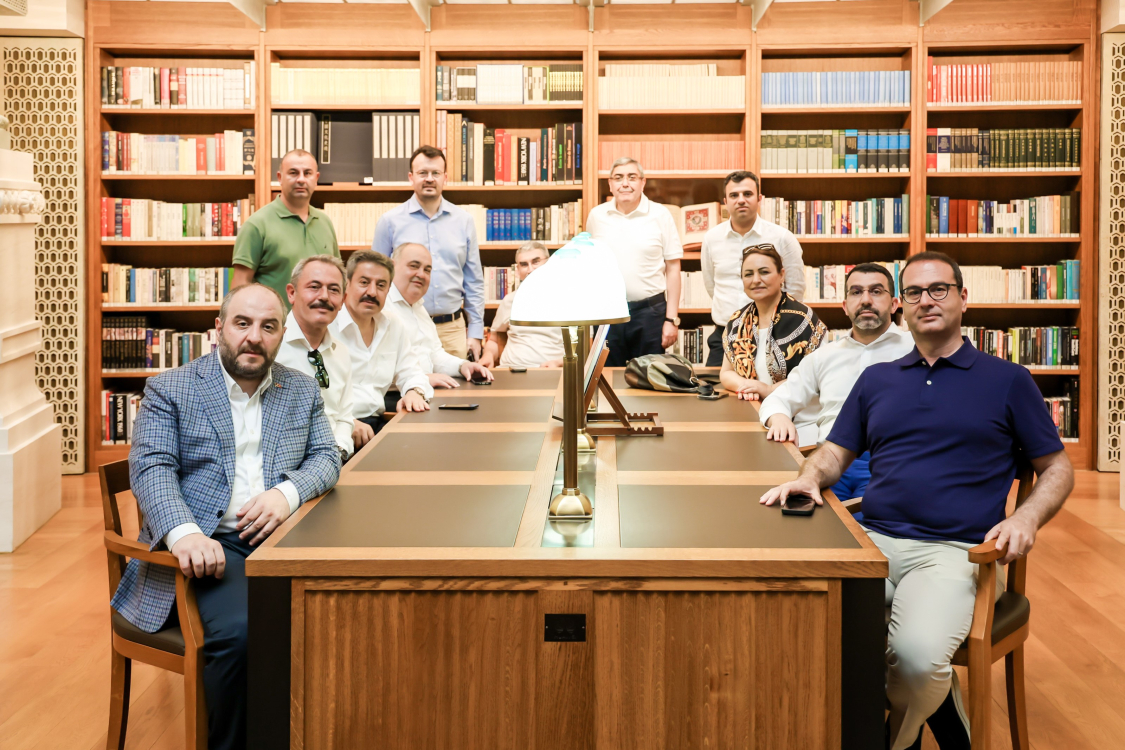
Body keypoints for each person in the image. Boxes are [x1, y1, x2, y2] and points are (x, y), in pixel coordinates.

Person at [761, 251, 1074, 750]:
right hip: (873, 545)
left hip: (959, 552)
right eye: (913, 292)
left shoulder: (1007, 380)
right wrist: (809, 478)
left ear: (963, 299)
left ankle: (897, 741)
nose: (925, 300)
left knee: (913, 658)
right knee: (806, 628)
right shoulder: (878, 379)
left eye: (938, 289)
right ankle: (940, 715)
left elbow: (1057, 467)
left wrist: (1026, 518)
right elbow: (835, 451)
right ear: (901, 306)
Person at [110, 283, 340, 750]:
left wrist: (286, 494)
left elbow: (326, 457)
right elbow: (151, 468)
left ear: (282, 334)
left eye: (268, 326)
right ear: (219, 329)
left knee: (346, 615)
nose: (254, 336)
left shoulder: (301, 388)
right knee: (244, 634)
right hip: (212, 549)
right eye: (242, 323)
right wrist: (184, 534)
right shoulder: (171, 388)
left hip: (284, 541)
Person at [759, 263, 914, 499]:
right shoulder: (824, 356)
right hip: (826, 463)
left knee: (864, 520)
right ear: (845, 306)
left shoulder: (916, 349)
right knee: (795, 511)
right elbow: (779, 399)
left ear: (894, 304)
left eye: (876, 291)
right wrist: (779, 418)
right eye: (856, 292)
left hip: (890, 464)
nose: (865, 300)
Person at [371, 145, 484, 361]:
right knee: (408, 381)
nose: (429, 179)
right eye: (423, 173)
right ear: (411, 177)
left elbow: (474, 281)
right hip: (404, 326)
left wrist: (475, 333)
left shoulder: (464, 221)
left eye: (435, 173)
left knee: (457, 381)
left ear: (445, 178)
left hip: (452, 330)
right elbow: (376, 278)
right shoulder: (390, 221)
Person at [719, 243, 826, 445]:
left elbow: (815, 377)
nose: (756, 280)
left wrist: (767, 389)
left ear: (781, 275)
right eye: (748, 274)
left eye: (764, 272)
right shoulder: (737, 322)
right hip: (753, 417)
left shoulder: (805, 320)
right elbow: (726, 373)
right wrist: (748, 387)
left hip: (801, 425)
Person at [329, 250, 433, 450]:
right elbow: (315, 396)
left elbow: (412, 371)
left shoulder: (392, 325)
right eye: (364, 282)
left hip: (378, 424)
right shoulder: (327, 326)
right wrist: (346, 423)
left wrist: (414, 392)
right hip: (336, 430)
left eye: (381, 285)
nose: (372, 292)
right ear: (346, 284)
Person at [701, 170, 806, 366]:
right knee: (715, 385)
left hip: (773, 334)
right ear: (725, 201)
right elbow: (711, 285)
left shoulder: (782, 238)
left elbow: (795, 289)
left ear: (759, 199)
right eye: (734, 195)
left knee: (770, 386)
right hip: (724, 335)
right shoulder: (711, 239)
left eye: (747, 194)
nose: (741, 200)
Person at [586, 157, 683, 366]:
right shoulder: (596, 216)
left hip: (650, 313)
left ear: (642, 182)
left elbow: (673, 268)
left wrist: (671, 319)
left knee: (650, 376)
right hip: (608, 312)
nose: (625, 183)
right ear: (610, 184)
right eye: (618, 178)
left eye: (632, 177)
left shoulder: (660, 215)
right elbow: (591, 266)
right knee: (607, 375)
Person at [274, 254, 357, 460]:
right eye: (314, 287)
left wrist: (337, 453)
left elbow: (344, 419)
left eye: (334, 290)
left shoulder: (341, 352)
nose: (324, 297)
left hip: (333, 459)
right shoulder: (270, 346)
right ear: (291, 293)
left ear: (343, 301)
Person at [232, 149, 340, 305]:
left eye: (307, 173)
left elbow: (336, 277)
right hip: (274, 320)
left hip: (321, 319)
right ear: (279, 178)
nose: (301, 179)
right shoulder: (256, 225)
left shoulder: (325, 222)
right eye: (293, 173)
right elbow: (240, 286)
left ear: (316, 179)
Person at [386, 242, 494, 387]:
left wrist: (463, 366)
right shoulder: (380, 308)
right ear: (391, 267)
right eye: (414, 266)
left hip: (423, 389)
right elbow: (376, 368)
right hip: (398, 395)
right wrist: (422, 379)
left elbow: (435, 355)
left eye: (427, 270)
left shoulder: (419, 308)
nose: (421, 274)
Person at [480, 240, 565, 369]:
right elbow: (494, 340)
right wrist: (488, 355)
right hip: (510, 370)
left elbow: (584, 349)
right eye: (524, 264)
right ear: (517, 270)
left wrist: (559, 363)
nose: (530, 269)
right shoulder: (509, 301)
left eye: (536, 262)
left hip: (550, 371)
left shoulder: (568, 300)